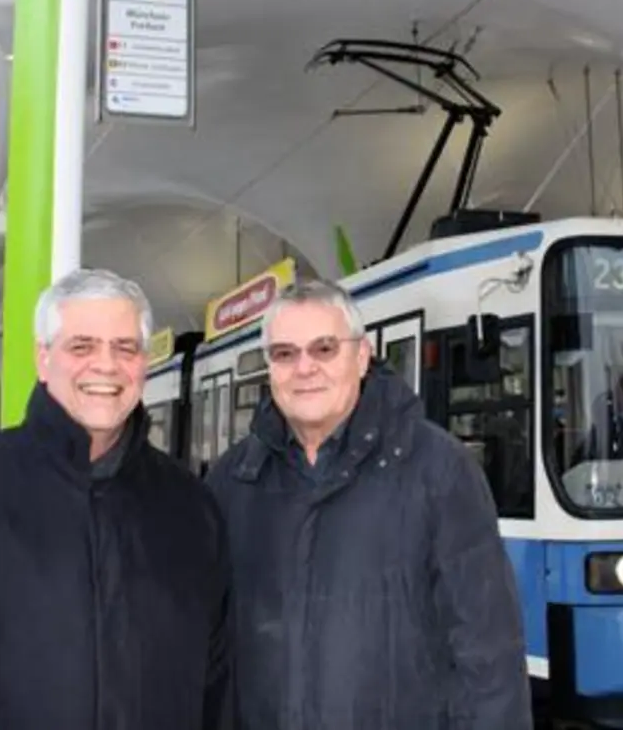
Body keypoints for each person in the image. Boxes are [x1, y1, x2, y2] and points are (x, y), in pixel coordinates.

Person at [0, 269, 231, 729]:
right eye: (81, 346)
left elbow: (218, 690)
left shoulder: (191, 509)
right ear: (43, 358)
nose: (105, 365)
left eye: (124, 347)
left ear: (143, 363)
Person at [205, 280, 531, 730]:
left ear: (361, 357)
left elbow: (488, 654)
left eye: (324, 349)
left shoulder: (439, 470)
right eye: (285, 353)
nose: (304, 368)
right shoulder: (231, 482)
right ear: (269, 369)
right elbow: (213, 654)